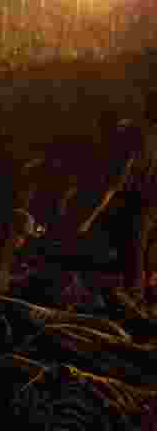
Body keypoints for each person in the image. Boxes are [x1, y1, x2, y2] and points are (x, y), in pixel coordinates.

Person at [79, 90, 157, 302]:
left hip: (137, 209)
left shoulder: (138, 137)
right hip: (150, 209)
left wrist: (89, 217)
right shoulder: (147, 136)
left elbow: (116, 182)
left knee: (133, 262)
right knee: (141, 262)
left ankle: (134, 309)